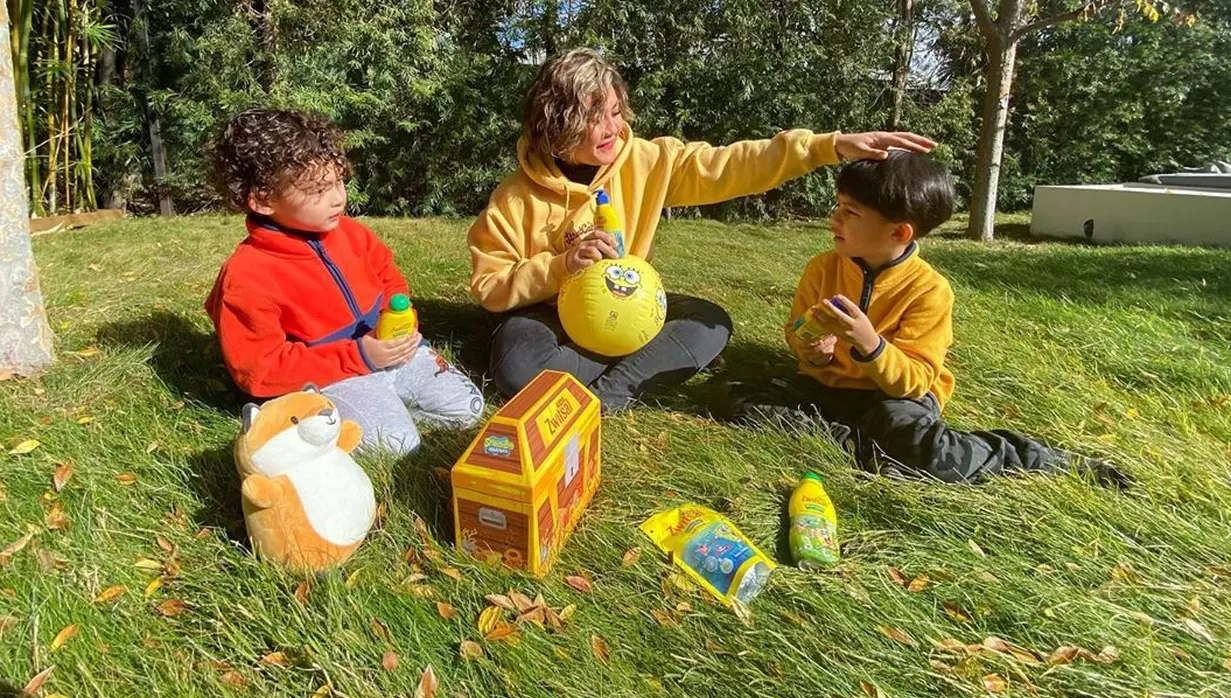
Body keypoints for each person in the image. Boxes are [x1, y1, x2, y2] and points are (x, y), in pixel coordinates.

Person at [468, 48, 936, 410]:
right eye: (594, 117)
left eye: (614, 110)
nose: (612, 126)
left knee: (710, 324)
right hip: (552, 319)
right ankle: (617, 364)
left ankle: (609, 394)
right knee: (516, 367)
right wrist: (561, 266)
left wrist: (826, 147)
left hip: (631, 310)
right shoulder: (516, 196)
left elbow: (733, 165)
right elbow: (490, 287)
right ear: (558, 124)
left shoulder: (649, 160)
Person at [730, 151, 1126, 486]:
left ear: (899, 232)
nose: (835, 219)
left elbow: (915, 381)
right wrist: (812, 350)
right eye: (838, 206)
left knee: (927, 449)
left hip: (896, 399)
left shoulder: (929, 290)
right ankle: (868, 444)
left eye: (850, 212)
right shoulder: (822, 268)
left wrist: (869, 344)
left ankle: (1029, 457)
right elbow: (797, 333)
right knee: (739, 400)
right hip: (828, 391)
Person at [205, 109, 484, 454]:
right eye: (319, 189)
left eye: (339, 182)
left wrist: (398, 316)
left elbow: (388, 277)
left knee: (469, 408)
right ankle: (291, 423)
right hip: (332, 378)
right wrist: (359, 357)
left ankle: (389, 405)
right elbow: (260, 369)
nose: (338, 198)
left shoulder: (351, 233)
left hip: (392, 352)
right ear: (263, 199)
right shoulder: (247, 276)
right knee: (399, 444)